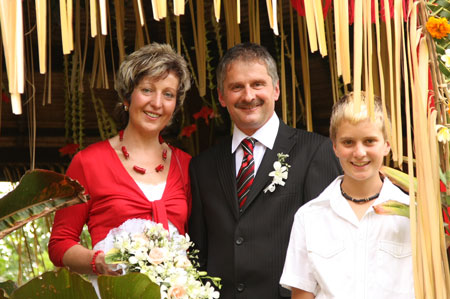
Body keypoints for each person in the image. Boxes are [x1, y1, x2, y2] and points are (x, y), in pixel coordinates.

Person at [188, 42, 342, 298]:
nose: (248, 96)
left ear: (276, 90)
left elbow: (329, 246)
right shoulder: (203, 166)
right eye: (237, 87)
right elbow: (199, 252)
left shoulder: (316, 151)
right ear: (221, 97)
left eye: (258, 84)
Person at [48, 43, 192, 283]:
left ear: (175, 106)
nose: (157, 103)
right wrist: (98, 261)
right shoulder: (88, 162)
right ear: (127, 96)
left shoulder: (185, 165)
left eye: (168, 94)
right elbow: (60, 244)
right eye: (147, 90)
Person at [280, 92, 414, 298]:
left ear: (387, 144)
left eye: (369, 141)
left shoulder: (412, 213)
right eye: (348, 142)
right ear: (334, 146)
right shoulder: (310, 217)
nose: (359, 152)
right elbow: (302, 294)